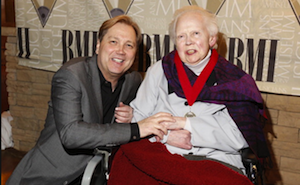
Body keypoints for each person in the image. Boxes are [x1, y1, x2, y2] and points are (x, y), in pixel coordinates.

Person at [6, 15, 175, 185]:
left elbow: (145, 118)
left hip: (94, 175)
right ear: (98, 46)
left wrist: (134, 114)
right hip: (47, 177)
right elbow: (71, 134)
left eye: (129, 45)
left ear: (134, 54)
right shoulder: (71, 75)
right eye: (113, 42)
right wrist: (136, 128)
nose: (121, 50)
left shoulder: (133, 81)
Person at [130, 5, 270, 175]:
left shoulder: (236, 81)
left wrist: (185, 124)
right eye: (181, 36)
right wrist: (165, 136)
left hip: (216, 160)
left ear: (211, 39)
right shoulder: (159, 71)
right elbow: (138, 119)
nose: (188, 41)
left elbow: (239, 138)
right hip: (164, 155)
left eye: (196, 33)